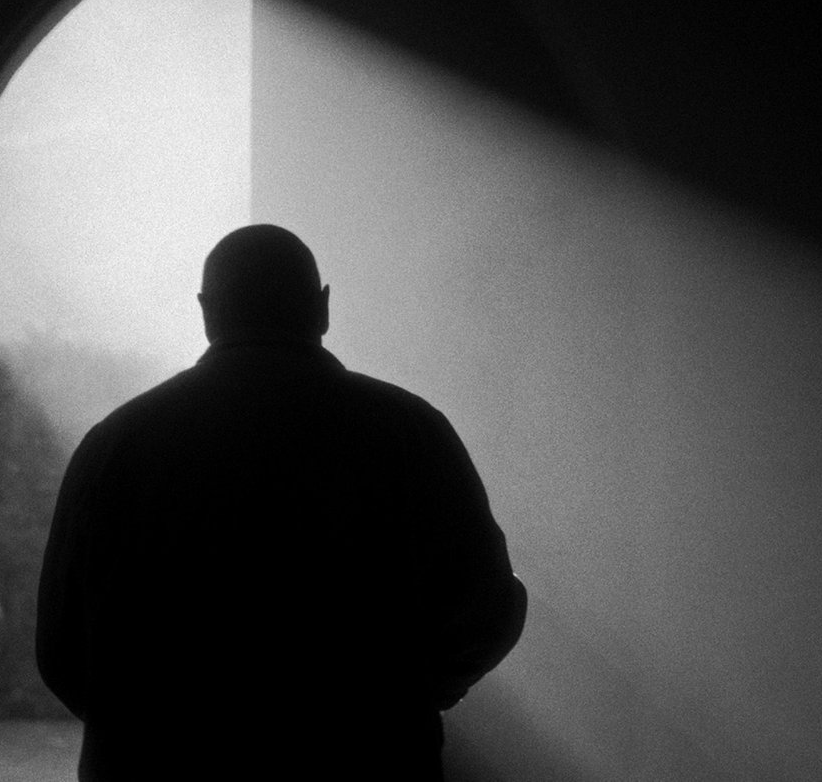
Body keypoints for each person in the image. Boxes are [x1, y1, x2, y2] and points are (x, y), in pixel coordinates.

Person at [37, 224, 526, 781]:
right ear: (322, 307)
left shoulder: (115, 445)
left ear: (207, 311)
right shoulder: (412, 432)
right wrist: (410, 696)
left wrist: (142, 725)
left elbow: (59, 649)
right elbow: (490, 607)